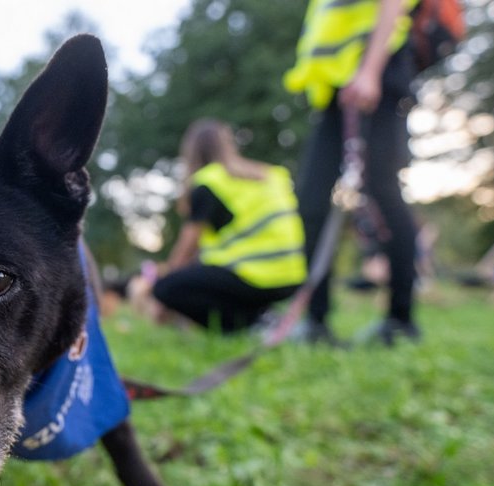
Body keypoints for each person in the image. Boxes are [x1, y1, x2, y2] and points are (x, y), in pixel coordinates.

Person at [284, 0, 422, 345]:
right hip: (333, 89)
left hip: (372, 73)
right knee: (310, 201)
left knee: (384, 193)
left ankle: (400, 320)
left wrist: (370, 70)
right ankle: (315, 320)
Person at [151, 119, 307, 333]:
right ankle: (265, 317)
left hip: (254, 277)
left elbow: (185, 250)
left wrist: (162, 293)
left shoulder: (208, 182)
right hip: (292, 276)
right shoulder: (268, 174)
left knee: (166, 288)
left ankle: (255, 324)